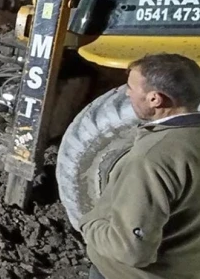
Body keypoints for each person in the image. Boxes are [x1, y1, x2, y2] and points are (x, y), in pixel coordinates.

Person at [81, 53, 200, 279]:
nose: (127, 93)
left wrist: (90, 225)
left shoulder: (152, 158)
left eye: (131, 88)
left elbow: (131, 251)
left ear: (155, 99)